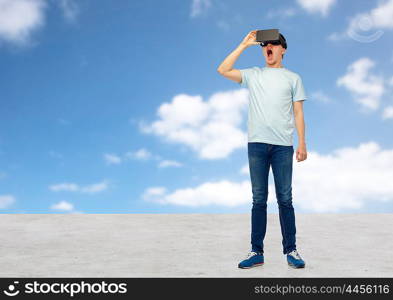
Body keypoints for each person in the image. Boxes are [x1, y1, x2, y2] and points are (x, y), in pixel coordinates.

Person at [217, 30, 307, 269]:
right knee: (259, 200)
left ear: (283, 49)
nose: (268, 47)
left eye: (274, 44)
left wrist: (302, 143)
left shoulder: (293, 78)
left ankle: (292, 251)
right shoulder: (253, 75)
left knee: (285, 199)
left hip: (283, 147)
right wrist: (244, 44)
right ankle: (256, 251)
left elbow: (298, 112)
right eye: (264, 45)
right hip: (256, 144)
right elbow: (222, 70)